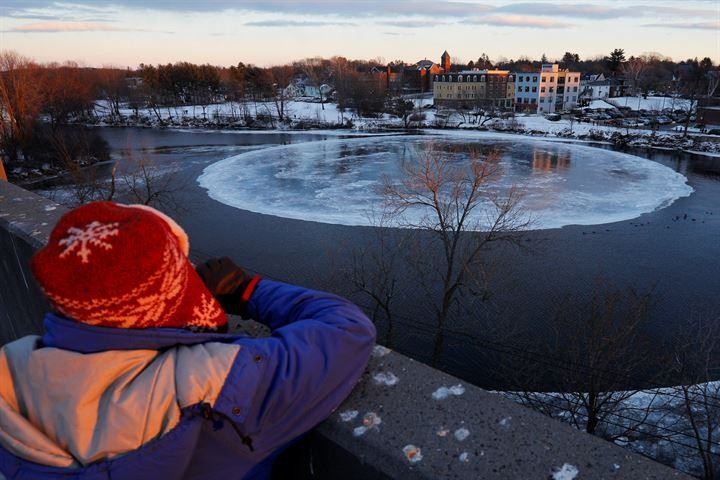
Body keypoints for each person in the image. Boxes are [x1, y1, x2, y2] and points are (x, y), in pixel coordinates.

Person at [0, 201, 376, 479]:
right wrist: (247, 290)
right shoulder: (211, 379)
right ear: (172, 292)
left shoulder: (12, 376)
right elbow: (348, 328)